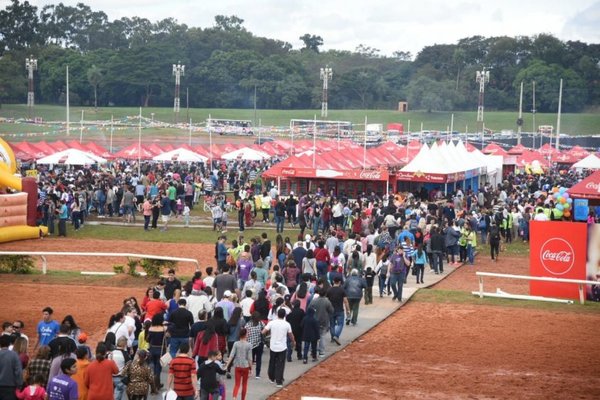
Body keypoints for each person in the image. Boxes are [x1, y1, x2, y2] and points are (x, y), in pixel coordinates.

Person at [262, 308, 295, 388]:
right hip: (282, 347)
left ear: (277, 314)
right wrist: (293, 341)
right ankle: (279, 381)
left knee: (272, 362)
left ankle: (271, 377)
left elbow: (263, 331)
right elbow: (290, 335)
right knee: (280, 364)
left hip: (273, 346)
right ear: (284, 315)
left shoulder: (272, 323)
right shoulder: (287, 324)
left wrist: (266, 338)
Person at [225, 328, 253, 400]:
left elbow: (231, 355)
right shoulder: (249, 345)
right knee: (244, 384)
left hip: (237, 366)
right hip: (245, 366)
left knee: (237, 384)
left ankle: (234, 397)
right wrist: (251, 368)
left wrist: (227, 366)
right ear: (246, 335)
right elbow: (250, 358)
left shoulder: (236, 343)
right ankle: (242, 399)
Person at [326, 277, 350, 345]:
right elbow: (345, 301)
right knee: (340, 324)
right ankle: (336, 336)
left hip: (331, 310)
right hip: (340, 310)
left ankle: (332, 337)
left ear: (333, 281)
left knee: (332, 325)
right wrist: (348, 310)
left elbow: (327, 300)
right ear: (339, 282)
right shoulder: (342, 290)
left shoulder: (329, 290)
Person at [0, 334, 23, 400]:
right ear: (10, 343)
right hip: (10, 387)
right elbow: (18, 372)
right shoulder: (14, 355)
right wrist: (19, 385)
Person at [244, 312, 265, 379]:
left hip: (250, 345)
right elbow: (265, 330)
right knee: (259, 359)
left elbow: (245, 334)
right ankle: (257, 374)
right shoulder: (261, 323)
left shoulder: (248, 324)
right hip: (259, 344)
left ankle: (249, 372)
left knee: (249, 359)